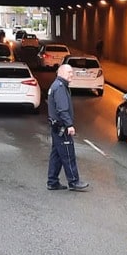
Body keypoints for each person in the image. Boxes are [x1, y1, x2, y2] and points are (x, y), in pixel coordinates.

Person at [45, 63, 89, 192]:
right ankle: (74, 181)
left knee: (57, 155)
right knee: (68, 154)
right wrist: (69, 125)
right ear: (62, 72)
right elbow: (62, 109)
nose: (72, 75)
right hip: (61, 127)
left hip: (56, 127)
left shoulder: (58, 86)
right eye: (70, 72)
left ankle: (52, 181)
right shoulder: (59, 88)